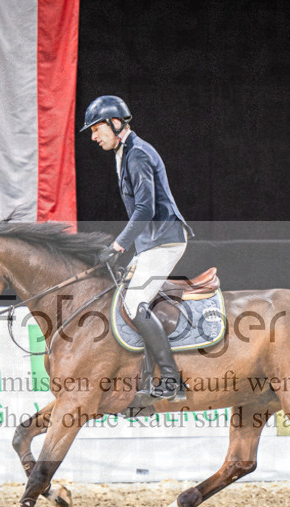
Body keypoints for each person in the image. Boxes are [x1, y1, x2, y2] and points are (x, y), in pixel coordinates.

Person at [81, 95, 194, 404]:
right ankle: (142, 378)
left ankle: (171, 379)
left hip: (165, 239)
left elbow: (145, 209)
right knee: (123, 297)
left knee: (134, 303)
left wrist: (118, 245)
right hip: (149, 242)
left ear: (115, 123)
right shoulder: (124, 153)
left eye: (96, 129)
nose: (93, 137)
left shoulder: (138, 154)